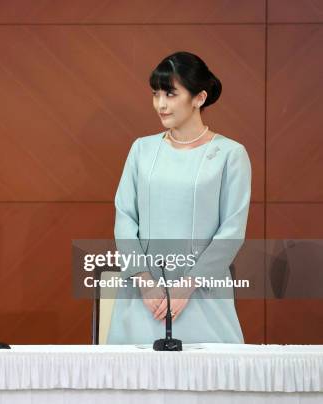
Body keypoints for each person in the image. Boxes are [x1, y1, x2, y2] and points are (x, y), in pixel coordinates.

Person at [107, 51, 250, 344]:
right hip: (144, 295)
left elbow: (232, 230)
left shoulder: (230, 155)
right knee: (134, 383)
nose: (161, 104)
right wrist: (145, 283)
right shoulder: (141, 150)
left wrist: (188, 285)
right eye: (156, 94)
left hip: (203, 296)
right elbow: (124, 217)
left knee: (209, 384)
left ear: (199, 97)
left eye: (171, 94)